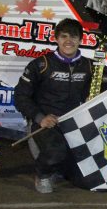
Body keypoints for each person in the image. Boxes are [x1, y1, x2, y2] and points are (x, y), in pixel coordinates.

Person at [14, 18, 92, 193]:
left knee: (87, 178)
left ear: (81, 40)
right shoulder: (41, 64)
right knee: (56, 152)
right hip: (46, 124)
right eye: (63, 36)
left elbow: (99, 92)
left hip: (73, 123)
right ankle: (43, 174)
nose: (68, 41)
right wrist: (40, 118)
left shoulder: (89, 66)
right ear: (56, 39)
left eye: (73, 37)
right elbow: (20, 96)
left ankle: (63, 169)